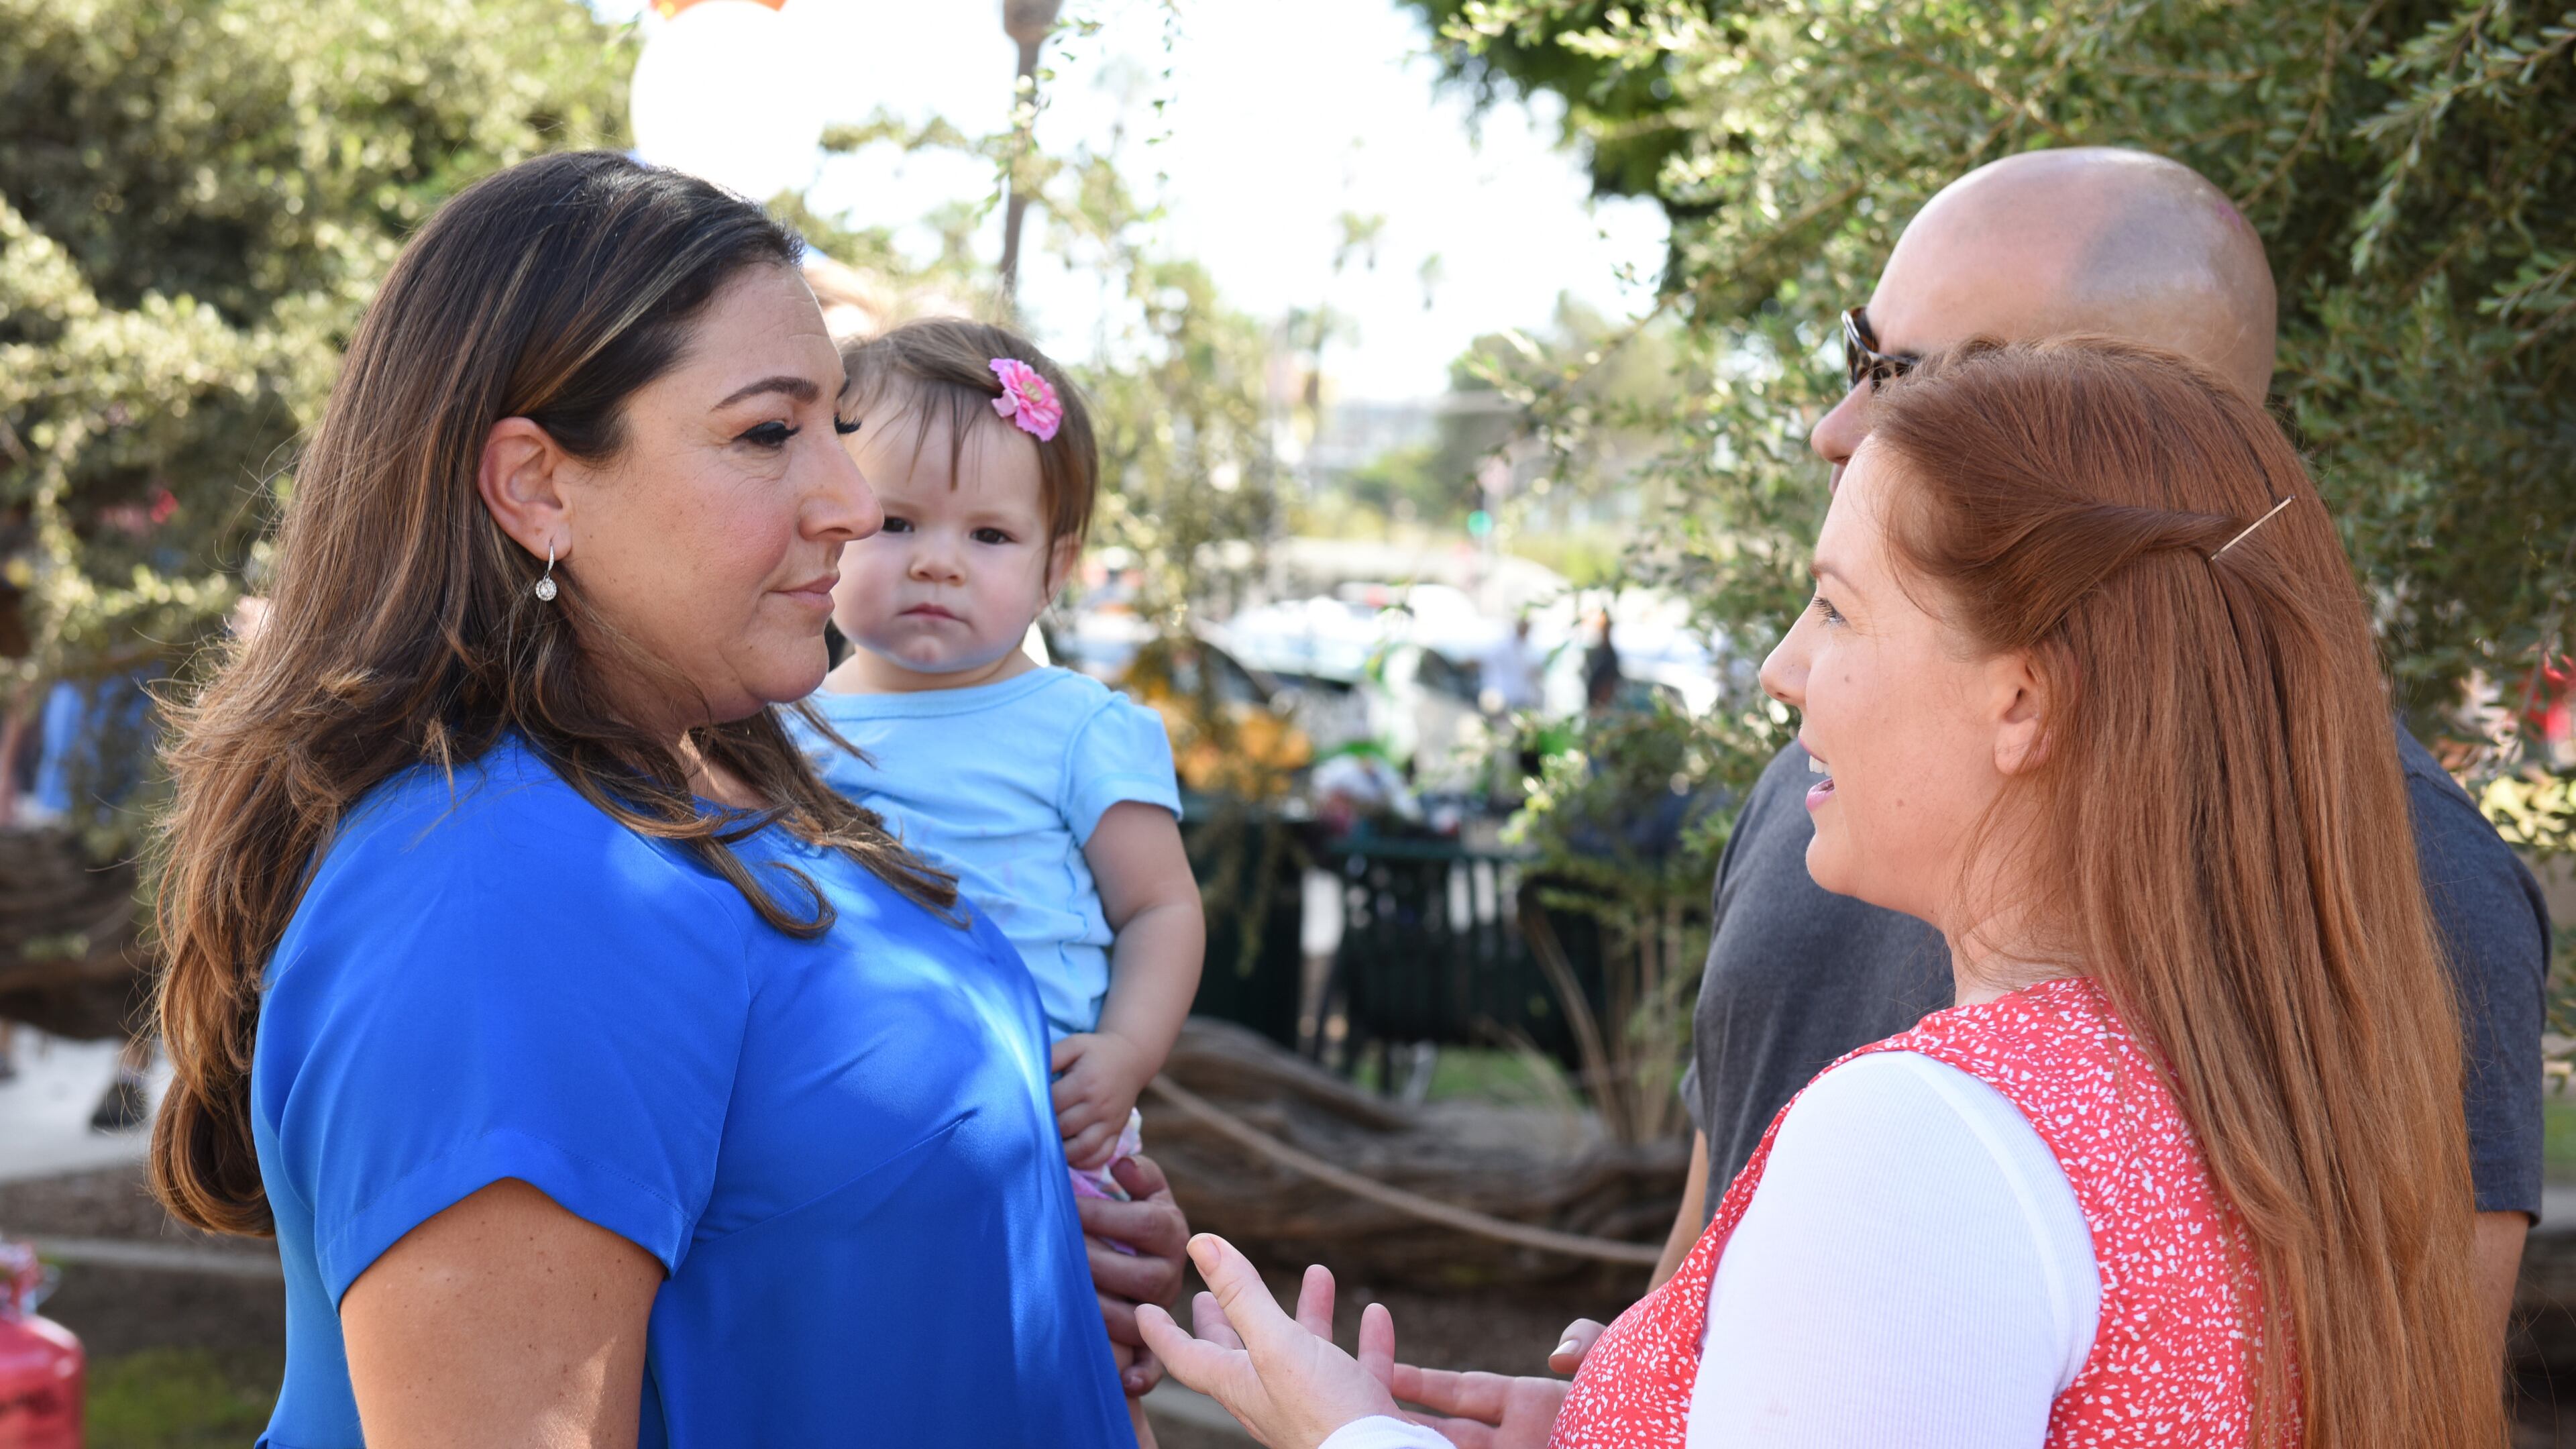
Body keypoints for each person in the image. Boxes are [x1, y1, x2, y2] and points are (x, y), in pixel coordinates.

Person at [1138, 337, 2507, 1449]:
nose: (1782, 670)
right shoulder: (2268, 1093)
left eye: (1840, 609)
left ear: (2024, 701)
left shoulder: (1926, 1141)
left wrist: (1352, 1436)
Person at [147, 152, 1183, 1447]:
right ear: (537, 486)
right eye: (769, 435)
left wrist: (998, 1235)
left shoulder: (721, 767)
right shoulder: (507, 890)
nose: (852, 503)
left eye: (836, 428)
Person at [1649, 147, 2550, 1350]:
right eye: (1853, 355)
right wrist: (1611, 1404)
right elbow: (1700, 1268)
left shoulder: (2392, 857)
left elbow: (2408, 1390)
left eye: (1902, 376)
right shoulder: (1818, 787)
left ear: (2115, 425)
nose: (1836, 425)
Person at [797, 317, 1207, 1445]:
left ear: (1054, 567)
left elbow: (1161, 908)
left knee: (1082, 1375)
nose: (937, 561)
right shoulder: (781, 727)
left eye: (988, 534)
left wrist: (1126, 1054)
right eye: (896, 522)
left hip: (1052, 1123)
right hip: (860, 1129)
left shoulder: (1078, 727)